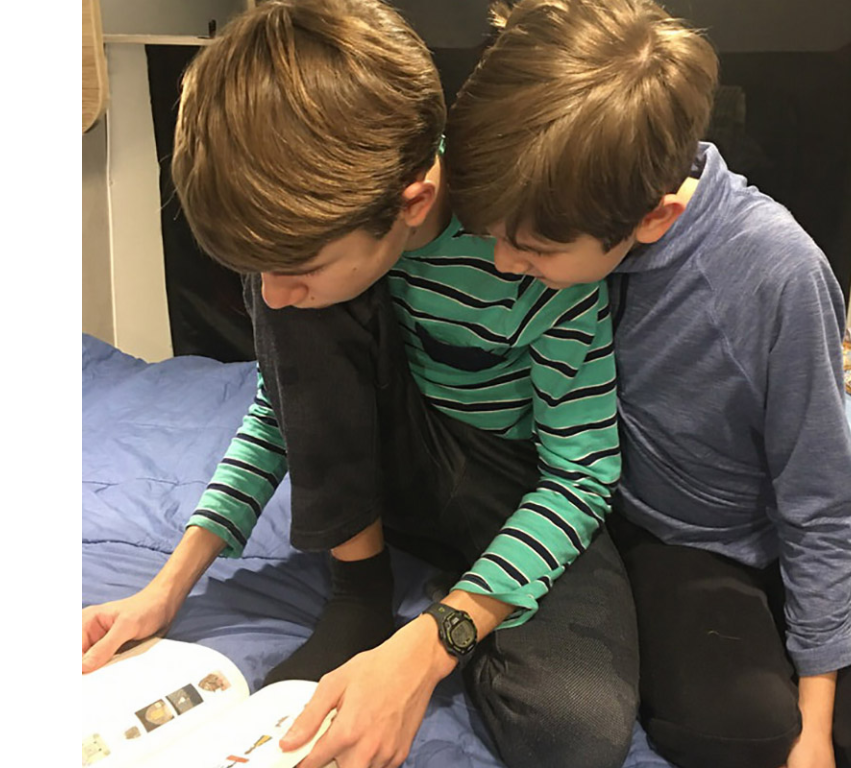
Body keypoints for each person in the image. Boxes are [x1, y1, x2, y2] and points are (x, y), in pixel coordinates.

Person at [80, 2, 640, 768]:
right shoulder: (302, 262)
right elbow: (286, 406)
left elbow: (582, 476)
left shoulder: (533, 239)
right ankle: (360, 587)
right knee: (299, 306)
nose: (270, 296)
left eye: (298, 267)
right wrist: (168, 586)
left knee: (572, 734)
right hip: (392, 464)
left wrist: (438, 637)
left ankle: (450, 593)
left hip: (506, 481)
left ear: (412, 203)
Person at [444, 1, 851, 767]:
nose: (506, 265)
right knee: (742, 733)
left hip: (803, 517)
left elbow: (816, 501)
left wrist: (817, 722)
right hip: (673, 537)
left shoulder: (777, 273)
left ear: (654, 216)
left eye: (533, 248)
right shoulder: (572, 218)